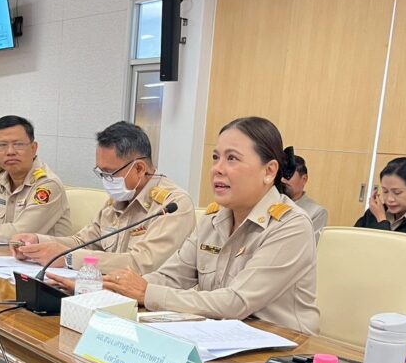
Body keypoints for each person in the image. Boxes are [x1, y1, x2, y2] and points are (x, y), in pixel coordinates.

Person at [101, 116, 320, 334]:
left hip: (284, 346)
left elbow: (236, 302)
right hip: (220, 336)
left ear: (269, 171)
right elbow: (172, 276)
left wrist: (146, 292)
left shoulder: (291, 226)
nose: (217, 169)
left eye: (232, 158)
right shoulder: (213, 219)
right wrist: (118, 289)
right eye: (216, 158)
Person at [12, 120, 195, 276]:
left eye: (109, 173)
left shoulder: (173, 205)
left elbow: (141, 264)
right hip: (105, 290)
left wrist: (68, 258)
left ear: (139, 169)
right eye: (101, 172)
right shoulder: (119, 199)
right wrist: (37, 242)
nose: (106, 180)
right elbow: (82, 242)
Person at [281, 154, 327, 240]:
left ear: (304, 179)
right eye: (280, 174)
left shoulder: (317, 213)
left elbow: (311, 244)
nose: (282, 180)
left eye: (288, 174)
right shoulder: (271, 204)